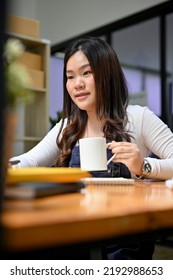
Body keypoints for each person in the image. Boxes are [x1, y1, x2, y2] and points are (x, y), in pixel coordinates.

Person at [11, 37, 173, 259]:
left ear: (107, 73)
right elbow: (29, 162)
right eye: (70, 77)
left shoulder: (139, 117)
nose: (77, 84)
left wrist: (143, 165)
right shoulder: (67, 127)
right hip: (77, 235)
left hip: (125, 239)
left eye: (86, 73)